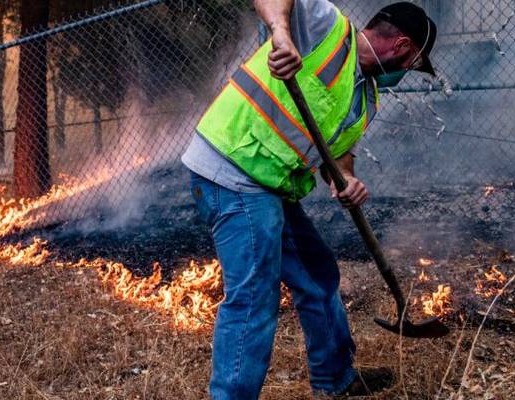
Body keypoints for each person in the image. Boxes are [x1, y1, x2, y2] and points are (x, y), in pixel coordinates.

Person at [181, 1, 438, 398]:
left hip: (270, 186)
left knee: (318, 276)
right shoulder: (326, 29)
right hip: (231, 168)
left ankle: (336, 379)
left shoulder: (366, 98)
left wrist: (348, 180)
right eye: (415, 64)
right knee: (253, 296)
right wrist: (280, 33)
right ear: (402, 47)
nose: (407, 75)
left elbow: (338, 157)